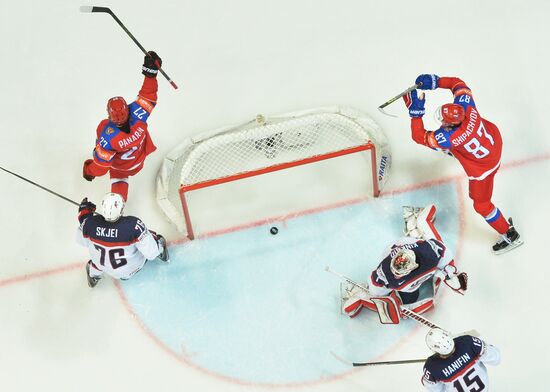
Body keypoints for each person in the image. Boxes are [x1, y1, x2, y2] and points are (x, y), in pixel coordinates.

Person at [403, 74, 522, 255]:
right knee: (446, 146)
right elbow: (457, 83)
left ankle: (509, 233)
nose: (442, 123)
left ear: (451, 125)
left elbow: (418, 136)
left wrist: (415, 114)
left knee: (481, 205)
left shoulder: (450, 137)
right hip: (492, 143)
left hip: (483, 169)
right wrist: (436, 82)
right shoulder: (467, 106)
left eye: (444, 122)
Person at [342, 204, 468, 318]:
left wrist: (449, 273)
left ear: (414, 266)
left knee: (424, 233)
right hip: (409, 278)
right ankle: (420, 224)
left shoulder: (430, 253)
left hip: (419, 250)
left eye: (400, 271)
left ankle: (420, 221)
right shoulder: (386, 272)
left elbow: (444, 253)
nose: (395, 274)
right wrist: (370, 297)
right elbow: (377, 290)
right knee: (409, 298)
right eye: (395, 269)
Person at [82, 51, 163, 201]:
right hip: (139, 161)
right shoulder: (139, 114)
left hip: (122, 167)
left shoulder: (107, 135)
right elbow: (149, 94)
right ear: (127, 108)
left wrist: (89, 170)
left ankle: (117, 209)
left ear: (109, 114)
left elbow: (101, 166)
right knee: (122, 173)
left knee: (118, 178)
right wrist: (151, 73)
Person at [76, 193, 169, 287]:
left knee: (97, 256)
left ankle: (93, 275)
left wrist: (84, 212)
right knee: (150, 236)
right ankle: (160, 250)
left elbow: (81, 240)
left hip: (102, 266)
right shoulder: (133, 225)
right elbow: (151, 254)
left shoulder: (90, 223)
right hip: (127, 272)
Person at [422, 328, 501, 391]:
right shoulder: (468, 342)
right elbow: (496, 358)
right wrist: (484, 347)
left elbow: (435, 390)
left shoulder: (431, 367)